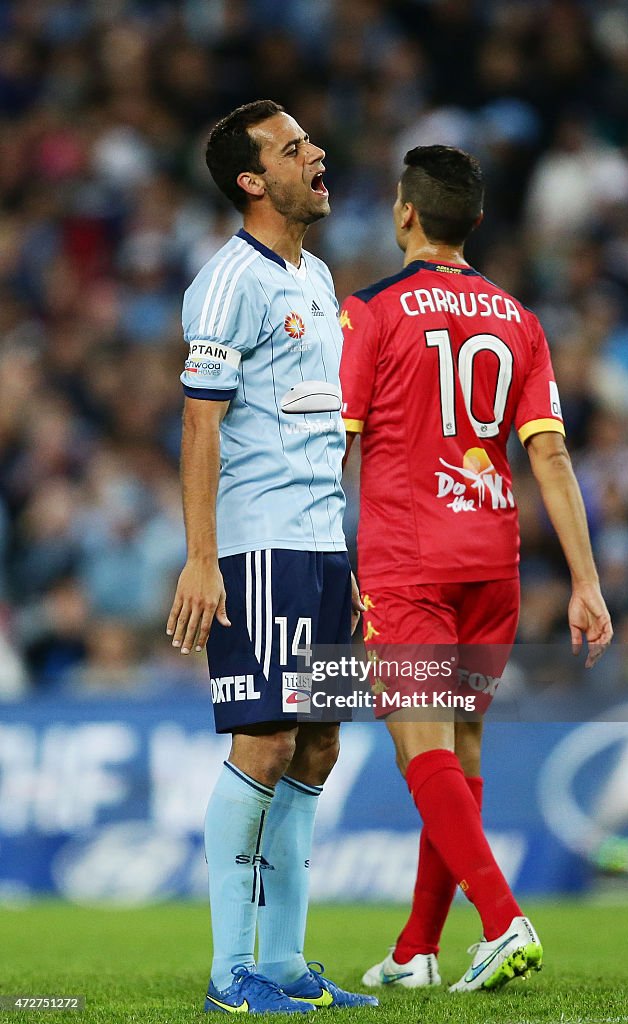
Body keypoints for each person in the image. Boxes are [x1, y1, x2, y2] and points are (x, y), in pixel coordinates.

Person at [339, 145, 613, 993]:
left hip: (409, 558)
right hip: (493, 559)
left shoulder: (371, 311)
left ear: (405, 214)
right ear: (477, 223)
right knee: (458, 748)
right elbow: (553, 458)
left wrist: (328, 557)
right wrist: (587, 582)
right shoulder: (516, 317)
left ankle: (503, 921)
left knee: (421, 749)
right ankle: (418, 948)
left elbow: (336, 444)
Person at [166, 100, 376, 1015]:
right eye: (293, 149)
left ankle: (285, 964)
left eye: (309, 143)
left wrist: (349, 557)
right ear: (253, 181)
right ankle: (228, 975)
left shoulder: (318, 277)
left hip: (323, 547)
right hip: (257, 546)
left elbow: (321, 428)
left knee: (319, 746)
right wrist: (201, 558)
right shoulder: (227, 281)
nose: (315, 154)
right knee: (266, 738)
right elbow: (199, 423)